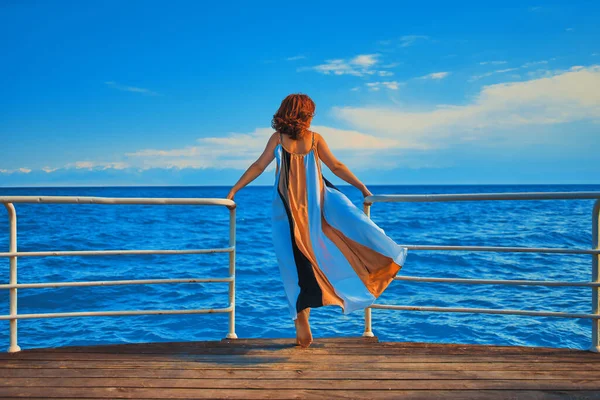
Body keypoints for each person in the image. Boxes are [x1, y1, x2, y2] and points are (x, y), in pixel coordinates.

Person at [227, 93, 408, 348]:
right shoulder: (315, 139)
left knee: (293, 265)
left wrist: (234, 190)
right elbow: (336, 166)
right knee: (322, 256)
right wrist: (362, 187)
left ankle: (300, 317)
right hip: (316, 212)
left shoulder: (278, 139)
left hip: (286, 213)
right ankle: (351, 284)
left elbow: (258, 166)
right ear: (304, 114)